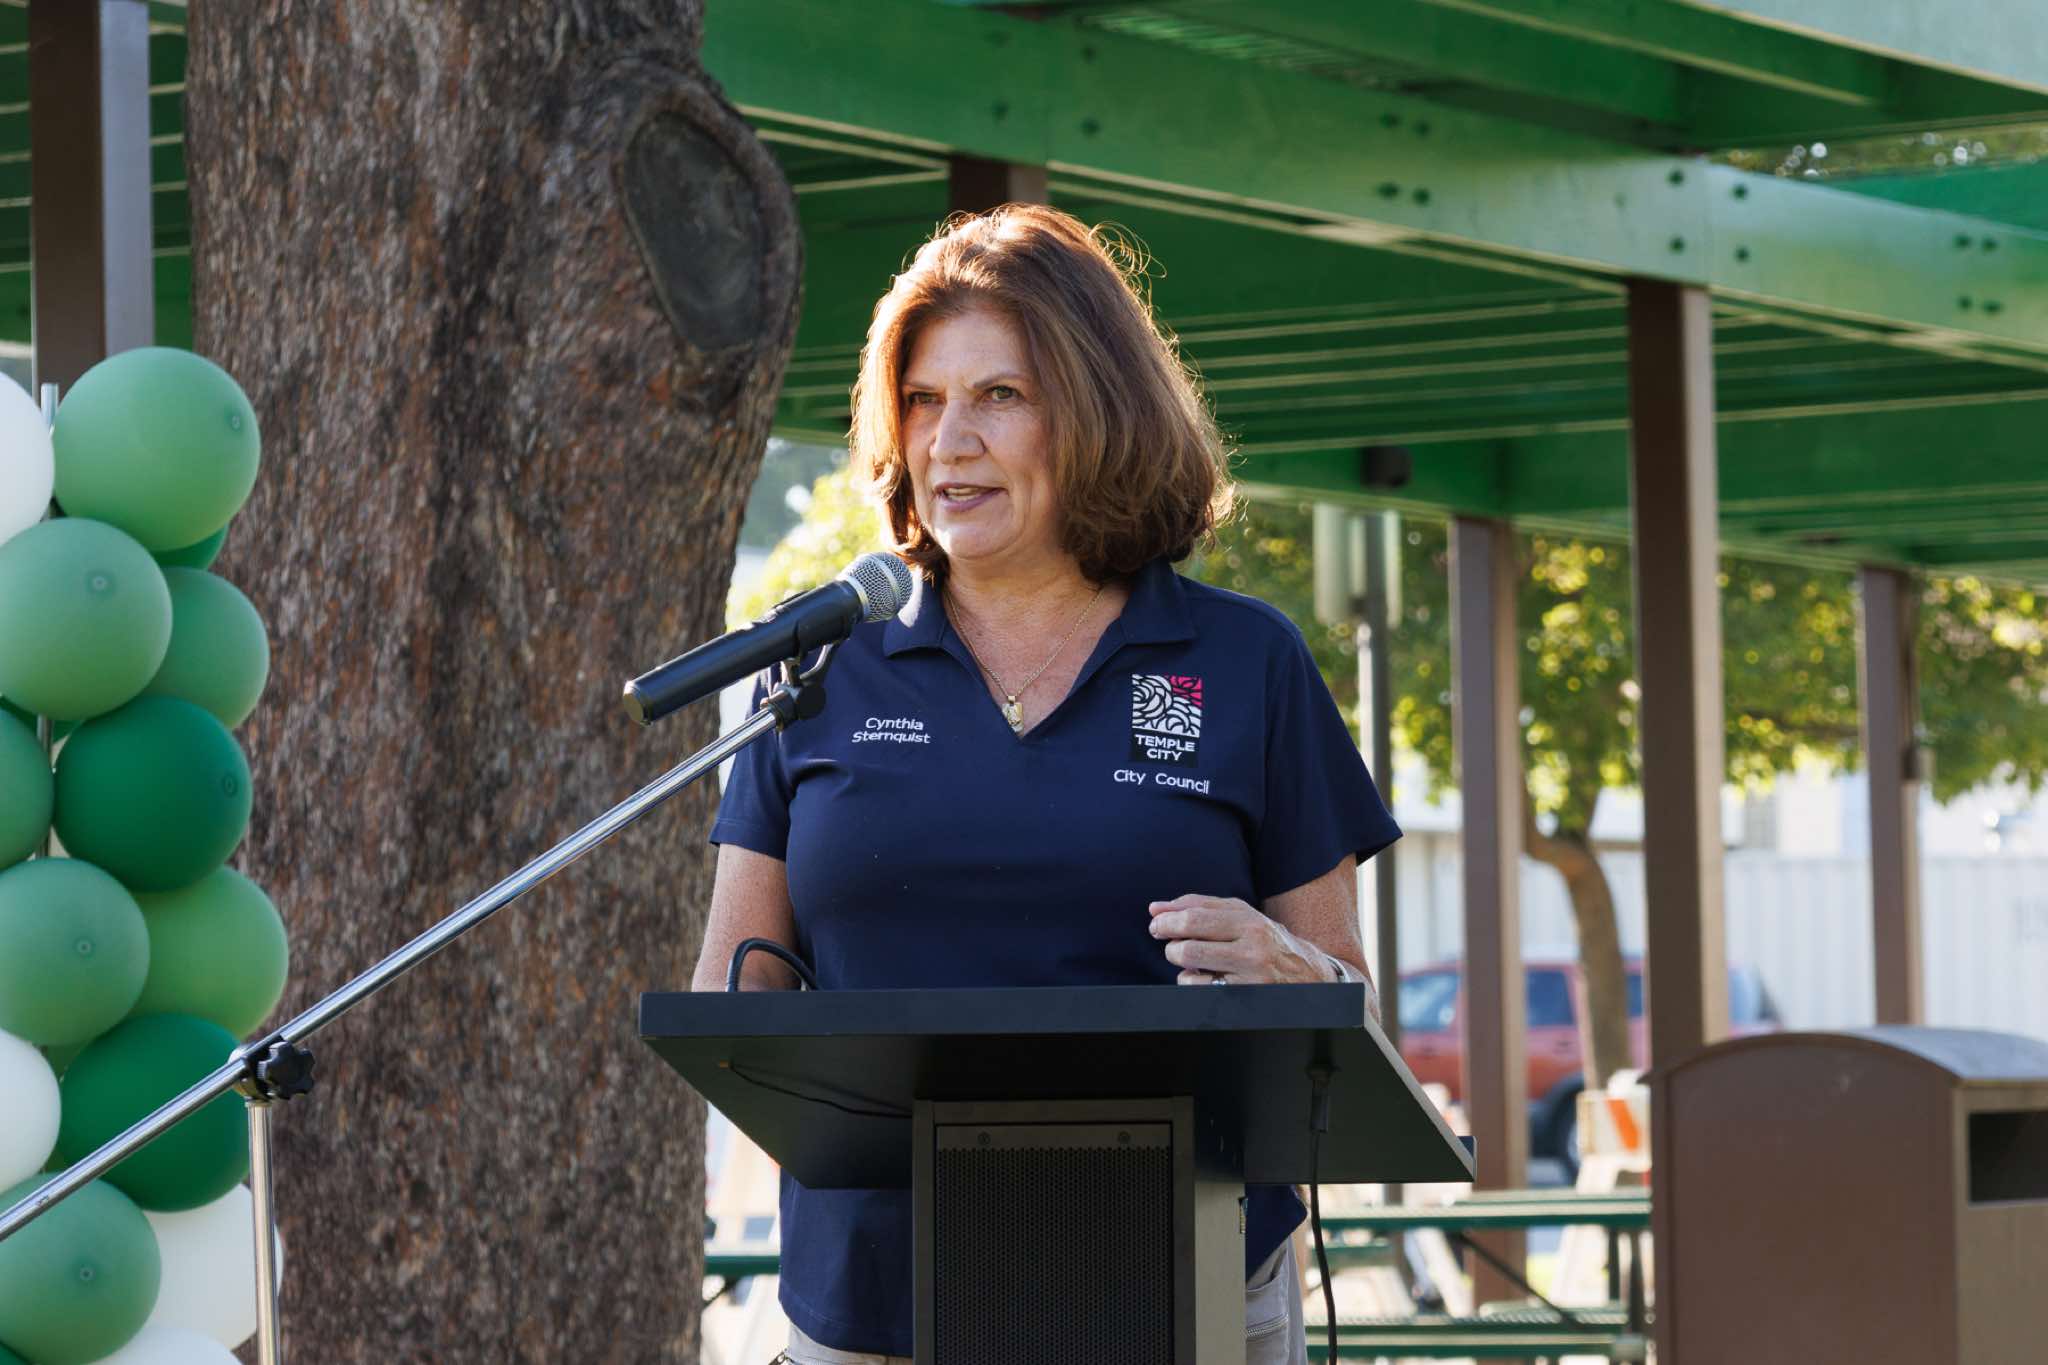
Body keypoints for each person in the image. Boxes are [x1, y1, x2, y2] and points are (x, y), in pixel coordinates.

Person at [696, 203, 1398, 1365]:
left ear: (1097, 411)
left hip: (1179, 1291)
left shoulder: (1244, 662)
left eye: (999, 396)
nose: (949, 440)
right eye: (922, 399)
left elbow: (1348, 1010)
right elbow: (734, 998)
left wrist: (1299, 977)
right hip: (877, 1303)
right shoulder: (821, 665)